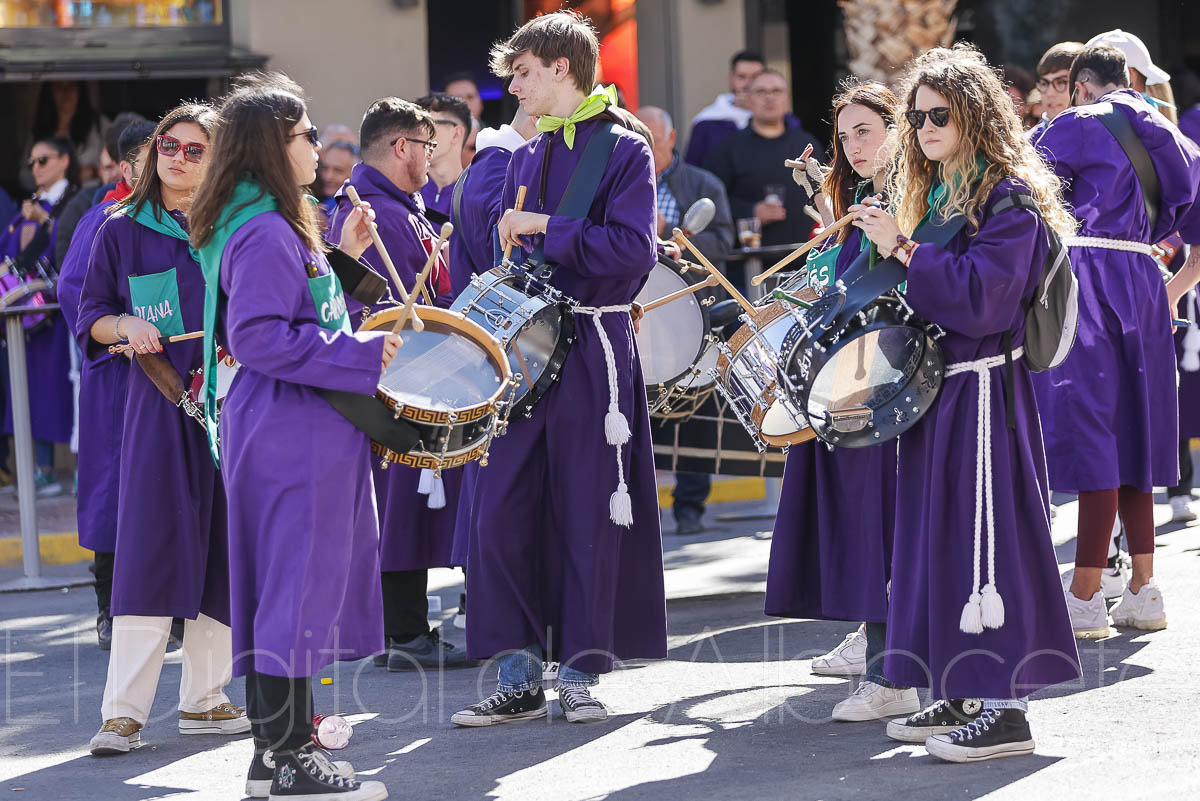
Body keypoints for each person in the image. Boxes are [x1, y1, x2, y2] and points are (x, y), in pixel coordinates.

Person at [849, 43, 1081, 761]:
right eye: (917, 117)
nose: (923, 127)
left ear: (976, 115)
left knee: (989, 544)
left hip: (984, 395)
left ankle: (1006, 707)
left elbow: (983, 300)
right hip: (941, 394)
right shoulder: (948, 194)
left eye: (938, 114)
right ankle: (958, 686)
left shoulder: (1008, 196)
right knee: (939, 542)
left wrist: (908, 250)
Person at [451, 10, 666, 727]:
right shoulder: (524, 155)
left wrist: (547, 227)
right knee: (500, 511)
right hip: (525, 352)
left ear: (561, 68)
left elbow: (634, 254)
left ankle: (579, 670)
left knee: (585, 511)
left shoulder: (625, 147)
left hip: (592, 352)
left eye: (522, 71)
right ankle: (516, 672)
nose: (513, 85)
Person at [189, 73, 393, 800]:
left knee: (292, 595)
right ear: (276, 146)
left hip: (291, 427)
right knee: (292, 597)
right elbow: (261, 336)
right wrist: (365, 355)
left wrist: (339, 250)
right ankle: (287, 759)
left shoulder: (272, 221)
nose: (319, 146)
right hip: (290, 432)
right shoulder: (267, 229)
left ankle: (274, 754)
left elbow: (298, 309)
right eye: (308, 134)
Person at [76, 102, 247, 757]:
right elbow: (92, 312)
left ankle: (206, 700)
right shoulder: (118, 228)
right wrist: (125, 327)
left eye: (195, 149)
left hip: (231, 405)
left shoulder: (236, 228)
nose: (177, 157)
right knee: (147, 552)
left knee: (222, 552)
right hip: (157, 410)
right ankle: (122, 713)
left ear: (219, 157)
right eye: (169, 146)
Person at [765, 79, 920, 722]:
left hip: (890, 382)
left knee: (883, 525)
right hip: (851, 379)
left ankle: (894, 676)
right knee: (868, 525)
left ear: (896, 130)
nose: (854, 145)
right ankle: (888, 668)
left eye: (867, 131)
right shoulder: (867, 199)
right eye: (845, 134)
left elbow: (908, 278)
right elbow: (842, 280)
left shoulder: (916, 197)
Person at [1033, 44, 1200, 638]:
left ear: (1081, 85)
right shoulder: (1178, 137)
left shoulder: (1077, 123)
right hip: (1146, 284)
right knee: (1136, 431)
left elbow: (1020, 194)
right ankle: (1143, 589)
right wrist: (1173, 293)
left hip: (1089, 278)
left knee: (1094, 431)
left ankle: (1083, 597)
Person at [325, 96, 469, 673]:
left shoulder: (397, 206)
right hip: (393, 373)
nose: (432, 158)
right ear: (403, 147)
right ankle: (403, 632)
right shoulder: (365, 212)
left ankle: (405, 628)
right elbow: (367, 303)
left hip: (415, 368)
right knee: (400, 503)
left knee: (411, 502)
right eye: (427, 146)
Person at [57, 118, 154, 650]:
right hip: (120, 377)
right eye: (154, 154)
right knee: (114, 491)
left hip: (176, 376)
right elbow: (77, 295)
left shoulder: (188, 220)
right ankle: (109, 607)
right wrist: (120, 329)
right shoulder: (102, 221)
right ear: (127, 166)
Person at [634, 104, 733, 534]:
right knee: (640, 409)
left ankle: (690, 505)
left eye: (653, 139)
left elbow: (724, 241)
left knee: (693, 408)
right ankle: (638, 504)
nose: (647, 147)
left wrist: (677, 239)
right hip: (642, 312)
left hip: (691, 312)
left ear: (671, 139)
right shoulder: (623, 182)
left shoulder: (702, 183)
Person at [0, 136, 79, 496]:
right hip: (28, 319)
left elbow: (72, 242)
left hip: (61, 314)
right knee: (31, 393)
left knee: (73, 390)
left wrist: (44, 219)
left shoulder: (75, 199)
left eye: (42, 160)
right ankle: (42, 470)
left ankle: (81, 470)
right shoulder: (27, 207)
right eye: (31, 162)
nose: (35, 169)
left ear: (64, 160)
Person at [704, 70, 821, 265]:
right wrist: (750, 211)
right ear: (748, 99)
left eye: (776, 91)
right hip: (749, 269)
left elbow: (828, 194)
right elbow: (709, 203)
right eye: (761, 92)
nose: (769, 98)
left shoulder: (808, 145)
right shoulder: (727, 149)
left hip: (807, 262)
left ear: (787, 98)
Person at [684, 50, 765, 168]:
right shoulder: (706, 123)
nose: (748, 84)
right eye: (741, 77)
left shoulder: (783, 122)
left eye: (755, 77)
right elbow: (692, 172)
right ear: (731, 79)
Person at [415, 92, 471, 218]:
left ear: (456, 134)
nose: (418, 134)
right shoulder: (405, 192)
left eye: (428, 125)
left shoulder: (478, 195)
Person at [1030, 42, 1083, 133]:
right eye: (1044, 83)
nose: (1050, 93)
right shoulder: (1027, 143)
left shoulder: (1106, 136)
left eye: (1061, 82)